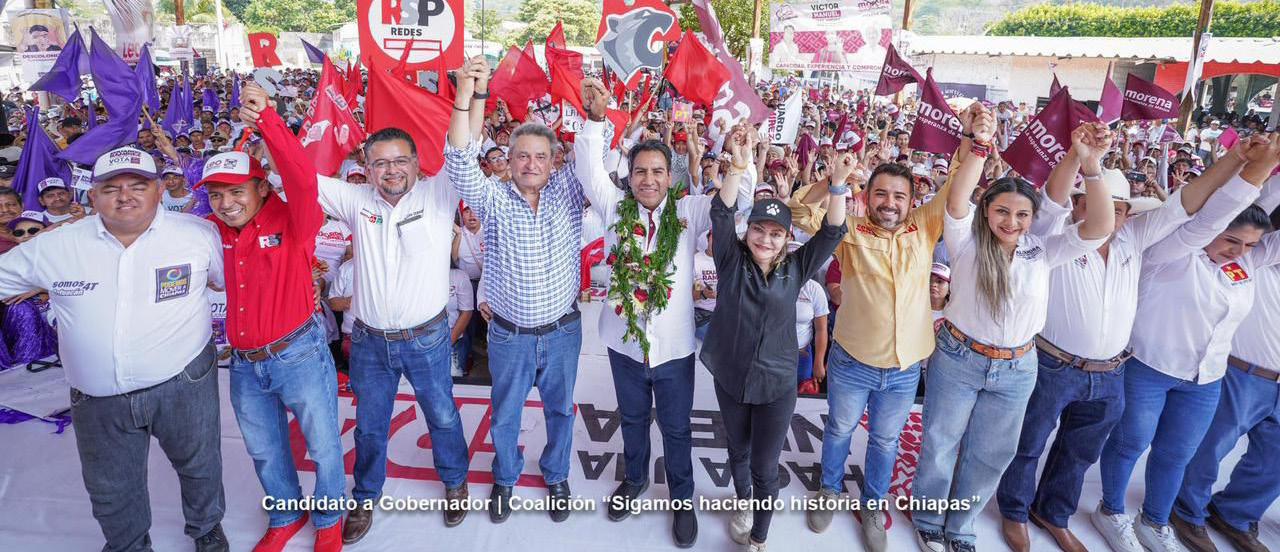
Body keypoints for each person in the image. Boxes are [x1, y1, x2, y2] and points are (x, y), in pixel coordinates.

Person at [995, 122, 1245, 552]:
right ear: (1078, 205)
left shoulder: (1135, 239)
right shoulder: (1053, 237)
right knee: (1029, 444)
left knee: (1079, 452)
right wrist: (1078, 156)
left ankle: (1053, 513)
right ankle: (1015, 511)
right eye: (1095, 203)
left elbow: (1186, 203)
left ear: (1130, 213)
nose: (1108, 214)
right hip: (1053, 364)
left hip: (1110, 372)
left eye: (1119, 208)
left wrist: (1236, 160)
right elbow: (1051, 199)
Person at [240, 82, 472, 545]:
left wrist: (467, 95)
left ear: (417, 164)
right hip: (369, 341)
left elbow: (464, 148)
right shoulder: (355, 199)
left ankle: (455, 482)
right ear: (366, 168)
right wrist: (268, 121)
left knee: (443, 415)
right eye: (380, 162)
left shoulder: (440, 192)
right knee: (369, 426)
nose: (391, 170)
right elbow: (294, 174)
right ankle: (365, 496)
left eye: (400, 160)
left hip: (427, 338)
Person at [0, 146, 229, 552]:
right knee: (110, 483)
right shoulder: (55, 246)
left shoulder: (198, 235)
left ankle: (206, 527)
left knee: (200, 464)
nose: (125, 196)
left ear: (159, 190)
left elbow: (225, 281)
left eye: (138, 185)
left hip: (184, 382)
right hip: (97, 396)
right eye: (111, 188)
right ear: (92, 196)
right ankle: (128, 544)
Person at [912, 105, 1116, 552]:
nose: (1011, 222)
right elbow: (957, 200)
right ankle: (928, 518)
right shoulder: (964, 241)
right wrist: (980, 146)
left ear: (1032, 219)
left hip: (1018, 368)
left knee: (991, 453)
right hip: (958, 358)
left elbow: (1101, 225)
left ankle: (960, 525)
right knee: (940, 443)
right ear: (985, 211)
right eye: (1002, 211)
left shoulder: (1042, 250)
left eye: (1022, 215)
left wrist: (1090, 165)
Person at [573, 79, 751, 547]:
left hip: (673, 351)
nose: (648, 180)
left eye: (657, 171)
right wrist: (595, 119)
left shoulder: (689, 211)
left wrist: (738, 163)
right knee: (632, 421)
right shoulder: (616, 208)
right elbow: (589, 171)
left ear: (670, 177)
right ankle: (634, 480)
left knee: (676, 428)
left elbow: (731, 205)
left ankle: (682, 498)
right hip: (624, 346)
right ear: (630, 177)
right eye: (640, 172)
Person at [789, 105, 974, 552]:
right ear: (867, 197)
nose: (889, 203)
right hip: (852, 362)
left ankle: (872, 506)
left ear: (912, 201)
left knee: (886, 439)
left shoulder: (926, 226)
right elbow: (797, 210)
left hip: (905, 368)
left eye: (898, 196)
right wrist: (834, 180)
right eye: (881, 194)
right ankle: (829, 490)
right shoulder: (848, 229)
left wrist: (971, 139)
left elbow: (956, 183)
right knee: (838, 430)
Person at [1094, 134, 1280, 552]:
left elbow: (1264, 226)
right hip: (1149, 368)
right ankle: (1111, 511)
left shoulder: (1247, 263)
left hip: (1205, 380)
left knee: (1176, 454)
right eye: (1232, 240)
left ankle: (1156, 521)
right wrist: (1256, 168)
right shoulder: (1173, 252)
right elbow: (1213, 217)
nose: (1240, 251)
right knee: (1130, 442)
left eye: (1250, 245)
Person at [446, 56, 585, 524]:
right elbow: (459, 160)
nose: (531, 164)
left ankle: (556, 474)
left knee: (561, 411)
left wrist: (594, 112)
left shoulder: (569, 190)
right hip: (509, 336)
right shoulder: (491, 198)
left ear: (554, 161)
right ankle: (505, 477)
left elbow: (595, 153)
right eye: (522, 155)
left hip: (562, 333)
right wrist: (466, 95)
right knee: (505, 414)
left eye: (541, 156)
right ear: (508, 160)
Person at [204, 96, 345, 551]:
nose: (226, 204)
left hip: (298, 353)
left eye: (236, 192)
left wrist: (267, 120)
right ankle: (286, 514)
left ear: (263, 188)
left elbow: (302, 176)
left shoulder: (295, 218)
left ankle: (330, 518)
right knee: (264, 448)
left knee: (322, 444)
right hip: (245, 363)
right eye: (216, 194)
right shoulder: (211, 230)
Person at [702, 132, 850, 552]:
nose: (765, 240)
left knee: (766, 467)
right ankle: (742, 503)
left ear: (787, 239)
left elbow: (832, 231)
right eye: (758, 230)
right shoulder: (730, 260)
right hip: (731, 376)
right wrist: (738, 165)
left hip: (777, 384)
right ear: (747, 231)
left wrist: (838, 185)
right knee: (737, 451)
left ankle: (759, 538)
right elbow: (721, 211)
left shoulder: (797, 268)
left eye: (775, 234)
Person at [1172, 177, 1280, 552]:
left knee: (1274, 459)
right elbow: (1260, 204)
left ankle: (1235, 514)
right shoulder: (1253, 257)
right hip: (1243, 374)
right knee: (1211, 447)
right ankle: (1187, 510)